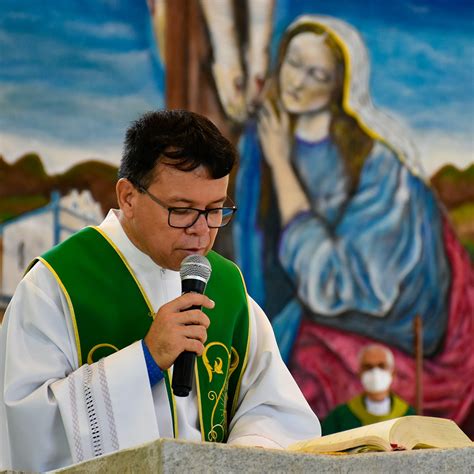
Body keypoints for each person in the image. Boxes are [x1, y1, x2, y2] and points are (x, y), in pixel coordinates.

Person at [0, 109, 321, 472]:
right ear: (129, 197)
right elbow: (23, 430)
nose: (201, 231)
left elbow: (274, 409)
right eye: (182, 210)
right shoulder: (54, 286)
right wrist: (146, 360)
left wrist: (236, 458)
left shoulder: (227, 287)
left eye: (215, 209)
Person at [234, 15, 473, 428]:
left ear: (339, 86)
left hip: (397, 324)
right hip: (317, 307)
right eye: (293, 63)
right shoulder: (264, 139)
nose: (298, 82)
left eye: (317, 74)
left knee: (306, 382)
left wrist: (282, 167)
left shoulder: (377, 166)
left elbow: (338, 284)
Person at [322, 344, 416, 435]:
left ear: (393, 373)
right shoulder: (340, 416)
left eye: (381, 366)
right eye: (368, 367)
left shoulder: (409, 416)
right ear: (359, 373)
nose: (375, 372)